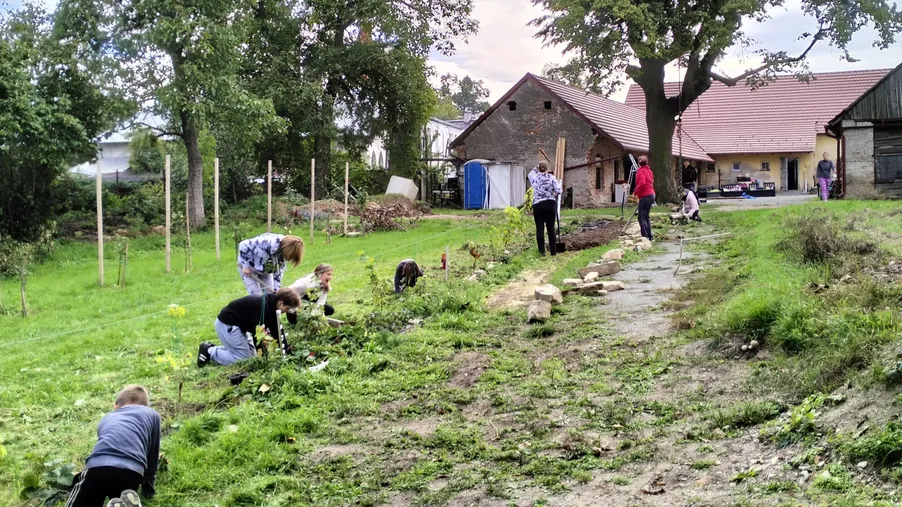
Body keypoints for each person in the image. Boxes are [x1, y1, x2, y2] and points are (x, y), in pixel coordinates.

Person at [65, 385, 160, 507]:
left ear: (115, 405)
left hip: (98, 466)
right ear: (145, 406)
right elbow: (152, 454)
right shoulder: (152, 415)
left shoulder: (107, 417)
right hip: (132, 471)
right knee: (122, 497)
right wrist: (148, 489)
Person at [197, 287, 302, 367]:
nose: (287, 312)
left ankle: (215, 348)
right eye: (287, 308)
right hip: (227, 324)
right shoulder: (264, 308)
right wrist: (263, 359)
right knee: (244, 358)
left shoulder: (272, 306)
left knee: (252, 356)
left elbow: (277, 330)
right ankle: (209, 352)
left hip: (239, 327)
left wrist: (286, 349)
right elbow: (257, 334)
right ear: (281, 303)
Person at [237, 233, 304, 295]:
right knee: (255, 295)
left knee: (270, 295)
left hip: (266, 271)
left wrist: (276, 290)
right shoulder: (266, 242)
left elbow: (278, 273)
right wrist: (245, 266)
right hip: (249, 268)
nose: (288, 259)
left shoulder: (283, 255)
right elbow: (243, 245)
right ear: (288, 250)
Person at [527, 161, 563, 256]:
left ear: (538, 169)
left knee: (540, 229)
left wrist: (537, 166)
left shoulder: (534, 177)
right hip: (550, 204)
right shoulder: (552, 178)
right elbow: (559, 190)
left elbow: (530, 173)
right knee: (551, 228)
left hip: (538, 205)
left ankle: (542, 252)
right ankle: (553, 252)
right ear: (547, 169)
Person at [633, 155, 656, 241]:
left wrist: (635, 192)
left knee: (641, 217)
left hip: (645, 195)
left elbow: (642, 183)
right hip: (652, 194)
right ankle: (650, 236)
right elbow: (652, 181)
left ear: (639, 163)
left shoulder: (640, 171)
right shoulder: (649, 171)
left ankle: (645, 237)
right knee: (646, 216)